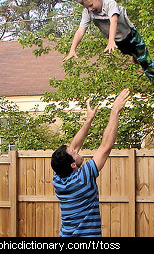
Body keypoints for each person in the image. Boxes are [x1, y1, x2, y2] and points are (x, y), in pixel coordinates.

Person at [63, 0, 154, 99]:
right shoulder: (87, 12)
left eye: (91, 5)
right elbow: (81, 30)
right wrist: (72, 49)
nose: (90, 9)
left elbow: (113, 20)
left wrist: (110, 41)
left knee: (144, 59)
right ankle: (134, 56)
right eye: (87, 7)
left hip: (130, 35)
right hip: (118, 42)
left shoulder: (110, 4)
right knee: (133, 54)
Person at [51, 88, 130, 237]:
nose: (77, 150)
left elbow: (73, 146)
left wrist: (89, 120)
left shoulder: (58, 179)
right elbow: (106, 146)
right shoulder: (83, 178)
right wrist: (115, 111)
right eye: (74, 154)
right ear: (73, 165)